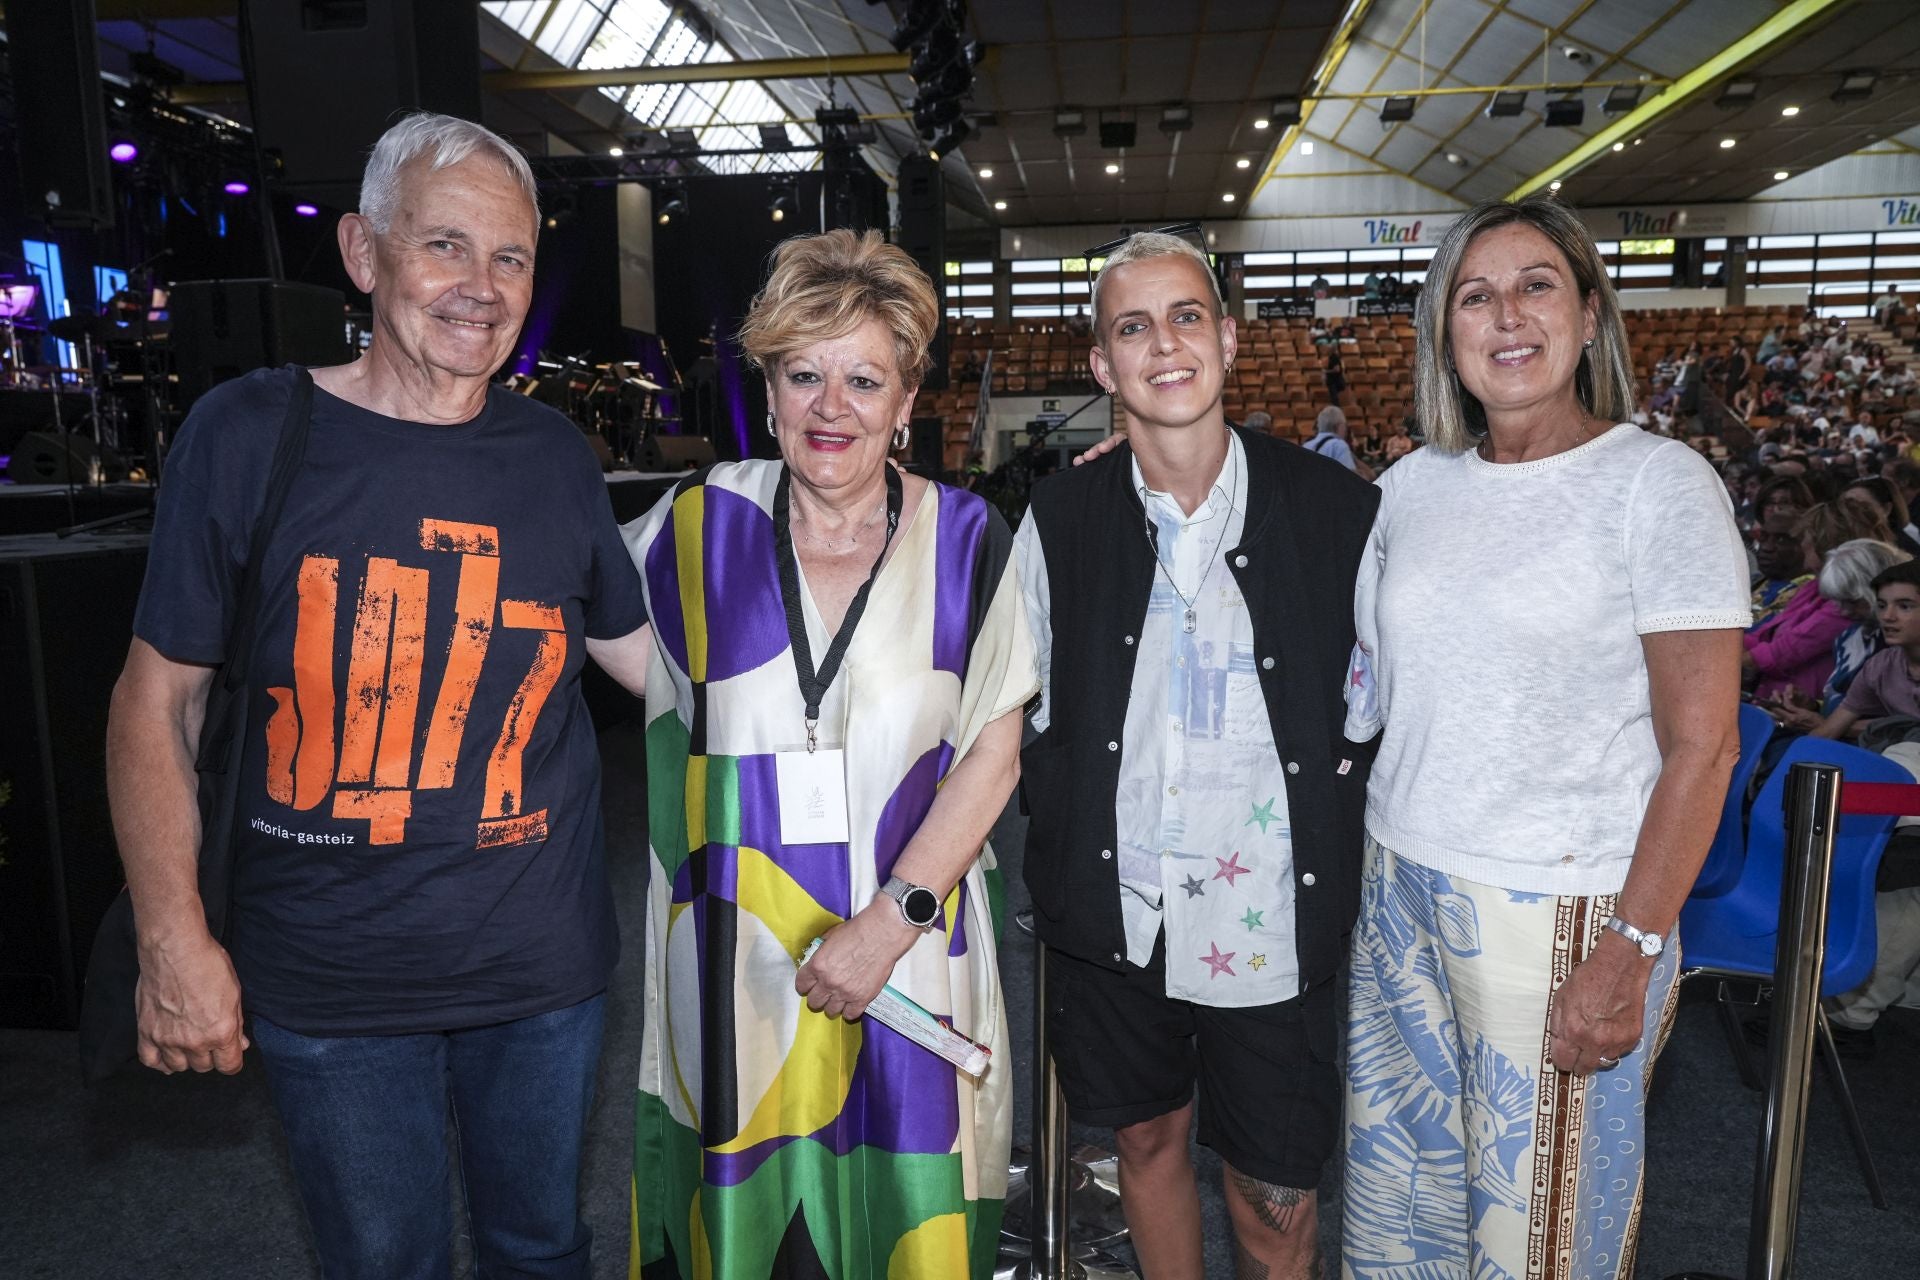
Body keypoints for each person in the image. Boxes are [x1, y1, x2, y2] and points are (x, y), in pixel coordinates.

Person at [104, 112, 650, 1276]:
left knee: (541, 1249)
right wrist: (172, 937)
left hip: (540, 969)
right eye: (446, 246)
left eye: (510, 258)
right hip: (330, 977)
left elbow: (651, 661)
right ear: (363, 252)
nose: (483, 288)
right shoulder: (249, 432)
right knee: (383, 1261)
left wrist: (868, 545)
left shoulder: (554, 455)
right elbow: (157, 703)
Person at [1341, 195, 1749, 1279]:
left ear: (1588, 314)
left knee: (1537, 1246)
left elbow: (1704, 749)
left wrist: (1634, 948)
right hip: (1399, 884)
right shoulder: (1411, 488)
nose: (1507, 314)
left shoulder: (1658, 485)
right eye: (1476, 294)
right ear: (1444, 330)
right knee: (1401, 1225)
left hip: (1564, 909)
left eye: (1536, 285)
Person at [620, 228, 1036, 1279]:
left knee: (905, 1213)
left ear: (906, 404)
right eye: (803, 374)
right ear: (769, 391)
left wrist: (888, 922)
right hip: (738, 955)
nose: (831, 405)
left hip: (909, 952)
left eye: (864, 378)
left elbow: (994, 752)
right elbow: (608, 636)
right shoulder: (697, 523)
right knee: (751, 1209)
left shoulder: (970, 541)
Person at [1020, 231, 1379, 1278]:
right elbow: (1018, 716)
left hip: (1271, 914)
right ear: (1102, 364)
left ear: (1225, 336)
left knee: (1275, 1201)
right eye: (1132, 325)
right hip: (1117, 913)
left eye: (1185, 316)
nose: (1163, 344)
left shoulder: (1341, 513)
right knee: (1144, 1140)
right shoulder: (1057, 516)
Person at [1746, 501, 1891, 703]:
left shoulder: (1847, 602)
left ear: (1826, 546)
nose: (1802, 545)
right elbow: (1764, 636)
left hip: (1797, 709)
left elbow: (1781, 653)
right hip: (1781, 702)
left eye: (1806, 539)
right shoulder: (1814, 587)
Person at [1304, 403, 1370, 477]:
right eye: (1345, 425)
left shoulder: (1306, 446)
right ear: (1340, 426)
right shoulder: (1339, 445)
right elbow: (1350, 478)